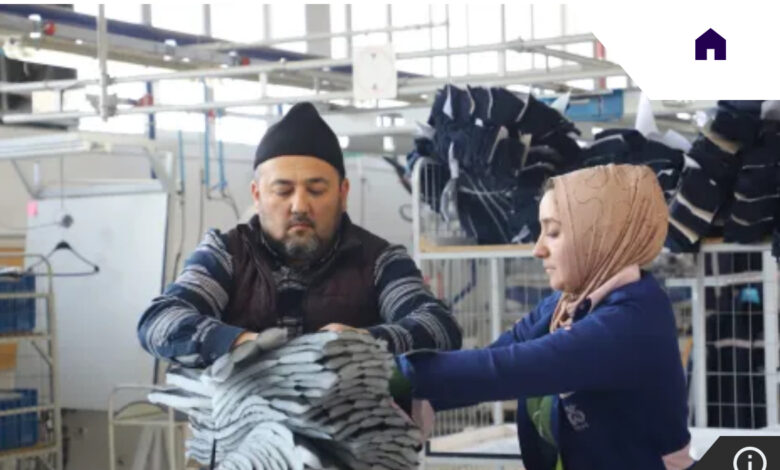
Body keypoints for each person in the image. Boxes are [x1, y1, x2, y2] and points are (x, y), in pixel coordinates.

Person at [396, 164, 693, 470]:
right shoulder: (565, 306)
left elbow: (512, 369)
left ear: (598, 233)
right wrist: (419, 398)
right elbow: (500, 352)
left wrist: (391, 372)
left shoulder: (630, 323)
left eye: (553, 232)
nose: (538, 249)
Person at [137, 102, 462, 368]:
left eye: (316, 190)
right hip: (240, 430)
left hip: (353, 429)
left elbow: (438, 326)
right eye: (283, 191)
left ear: (343, 193)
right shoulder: (226, 255)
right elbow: (160, 322)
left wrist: (365, 342)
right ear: (257, 195)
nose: (299, 206)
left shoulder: (379, 261)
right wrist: (243, 344)